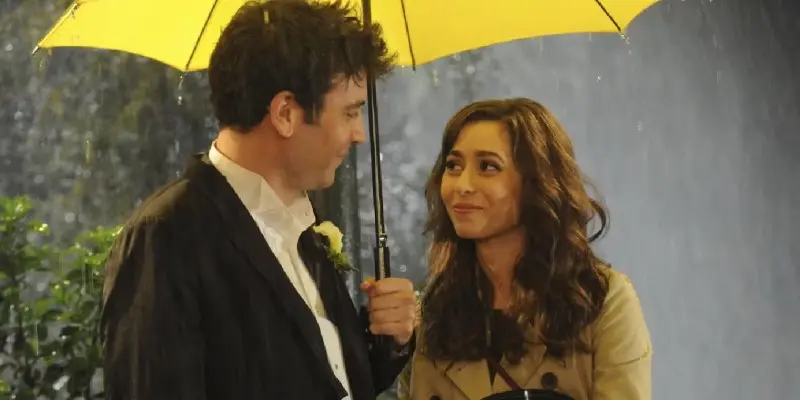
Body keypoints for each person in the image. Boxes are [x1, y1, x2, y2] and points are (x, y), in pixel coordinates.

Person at [99, 1, 416, 399]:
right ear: (285, 113)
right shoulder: (167, 236)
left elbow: (319, 377)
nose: (358, 135)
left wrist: (389, 341)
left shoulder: (304, 229)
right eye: (350, 113)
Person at [398, 98, 652, 400]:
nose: (462, 185)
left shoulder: (602, 300)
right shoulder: (433, 314)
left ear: (538, 183)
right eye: (453, 166)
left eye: (487, 167)